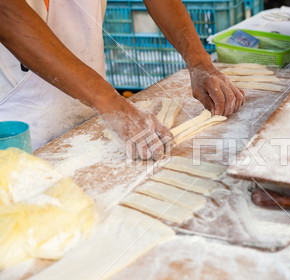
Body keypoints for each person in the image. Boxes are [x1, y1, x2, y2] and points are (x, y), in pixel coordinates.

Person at [0, 0, 245, 160]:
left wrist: (199, 62)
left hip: (90, 116)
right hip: (14, 129)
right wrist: (113, 104)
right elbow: (7, 13)